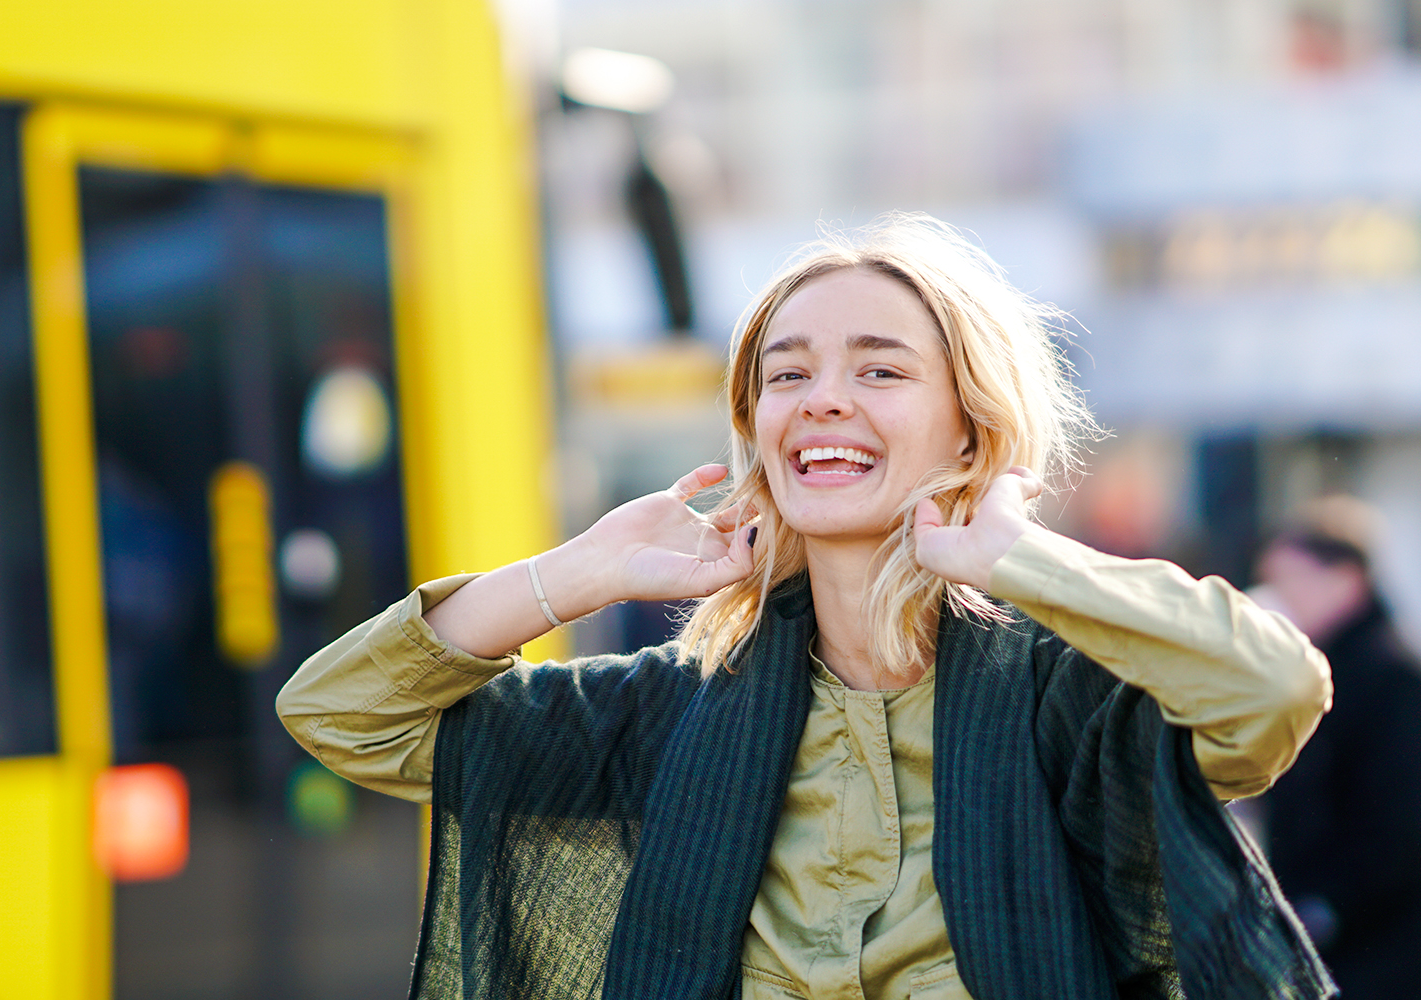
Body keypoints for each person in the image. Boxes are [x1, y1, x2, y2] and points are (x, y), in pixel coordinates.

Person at [278, 215, 1335, 1000]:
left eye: (878, 369)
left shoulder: (1074, 701)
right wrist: (583, 571)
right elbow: (342, 713)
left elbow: (1275, 692)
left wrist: (1025, 560)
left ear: (969, 431)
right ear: (760, 430)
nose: (822, 397)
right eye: (787, 375)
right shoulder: (670, 714)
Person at [1255, 498, 1421, 999]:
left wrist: (1326, 905)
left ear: (1346, 580)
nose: (1276, 598)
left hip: (1379, 944)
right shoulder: (1319, 671)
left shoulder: (1391, 679)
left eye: (1290, 580)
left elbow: (1398, 821)